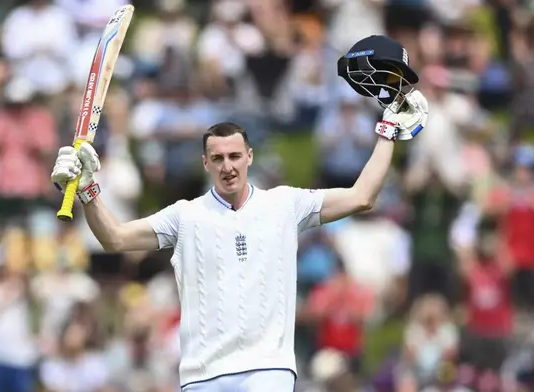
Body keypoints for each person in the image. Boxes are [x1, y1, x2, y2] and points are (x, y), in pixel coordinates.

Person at [51, 35, 428, 391]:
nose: (227, 166)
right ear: (205, 163)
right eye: (218, 158)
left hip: (269, 370)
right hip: (203, 374)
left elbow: (362, 196)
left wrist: (388, 131)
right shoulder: (185, 216)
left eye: (234, 156)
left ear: (249, 157)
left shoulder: (285, 204)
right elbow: (114, 238)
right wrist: (87, 190)